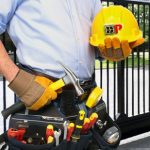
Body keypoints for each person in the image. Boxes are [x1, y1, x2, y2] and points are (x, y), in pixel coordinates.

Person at [0, 0, 144, 149]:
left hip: (87, 99)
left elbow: (96, 38)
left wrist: (109, 50)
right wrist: (18, 81)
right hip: (42, 97)